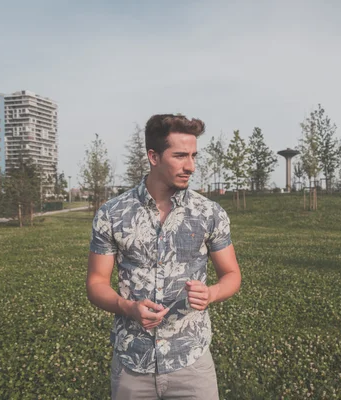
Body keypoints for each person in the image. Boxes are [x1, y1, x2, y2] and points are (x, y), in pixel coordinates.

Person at [86, 114, 241, 400]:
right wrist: (127, 307)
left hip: (191, 361)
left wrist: (212, 293)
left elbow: (232, 274)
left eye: (194, 155)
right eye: (180, 155)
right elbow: (96, 282)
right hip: (132, 363)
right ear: (153, 156)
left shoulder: (210, 214)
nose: (191, 166)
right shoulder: (112, 214)